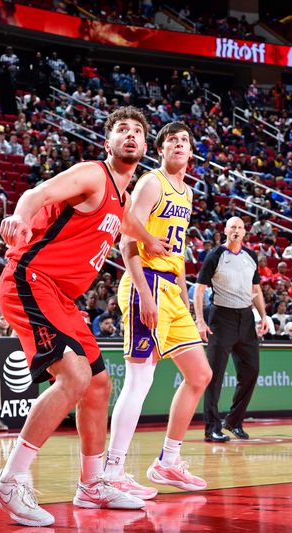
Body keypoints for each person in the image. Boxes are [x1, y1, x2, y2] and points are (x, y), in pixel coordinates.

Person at [0, 107, 166, 526]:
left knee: (100, 385)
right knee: (74, 378)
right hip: (32, 279)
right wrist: (18, 218)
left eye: (138, 131)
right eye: (122, 129)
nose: (131, 135)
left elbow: (126, 223)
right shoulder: (92, 174)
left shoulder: (122, 197)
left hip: (63, 298)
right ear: (108, 143)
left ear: (144, 147)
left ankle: (92, 485)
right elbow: (39, 194)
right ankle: (10, 480)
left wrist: (150, 240)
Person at [105, 121, 212, 500]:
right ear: (161, 150)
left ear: (191, 150)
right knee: (140, 380)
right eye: (172, 141)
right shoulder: (152, 182)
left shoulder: (188, 193)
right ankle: (111, 470)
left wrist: (185, 302)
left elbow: (177, 254)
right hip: (145, 283)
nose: (179, 145)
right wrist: (143, 293)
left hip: (171, 288)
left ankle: (168, 460)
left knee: (200, 374)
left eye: (184, 140)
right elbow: (126, 240)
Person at [194, 217, 268, 443]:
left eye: (240, 227)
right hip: (221, 317)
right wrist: (199, 320)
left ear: (245, 232)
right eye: (232, 227)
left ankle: (234, 421)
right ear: (225, 230)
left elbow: (256, 289)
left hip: (245, 318)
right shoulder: (216, 255)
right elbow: (199, 290)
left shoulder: (250, 257)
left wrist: (263, 315)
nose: (236, 230)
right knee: (214, 375)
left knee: (251, 372)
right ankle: (211, 427)